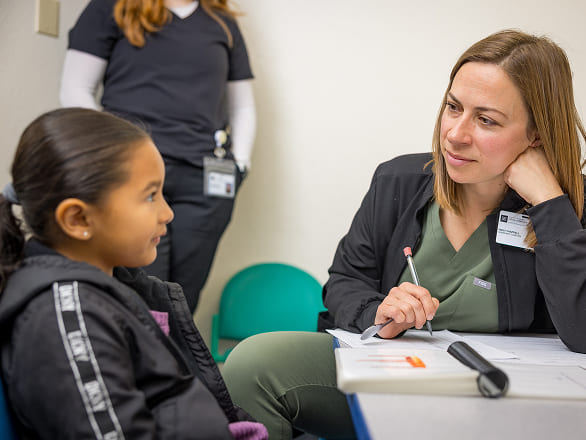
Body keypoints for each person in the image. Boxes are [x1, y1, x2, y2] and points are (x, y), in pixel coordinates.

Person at [221, 29, 586, 439]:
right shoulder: (398, 180)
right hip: (392, 374)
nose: (456, 133)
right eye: (453, 107)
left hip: (508, 396)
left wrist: (550, 204)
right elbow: (344, 282)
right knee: (252, 362)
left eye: (486, 120)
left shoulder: (568, 210)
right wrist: (378, 311)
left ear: (536, 134)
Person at [0, 108, 267, 439]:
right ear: (78, 219)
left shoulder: (118, 289)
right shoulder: (65, 317)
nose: (167, 213)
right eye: (150, 195)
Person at [60, 0, 256, 312]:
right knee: (140, 292)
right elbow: (75, 89)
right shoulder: (110, 8)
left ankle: (172, 360)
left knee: (183, 297)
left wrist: (240, 165)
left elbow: (243, 106)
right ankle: (139, 358)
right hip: (133, 176)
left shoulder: (222, 23)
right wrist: (112, 156)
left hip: (206, 181)